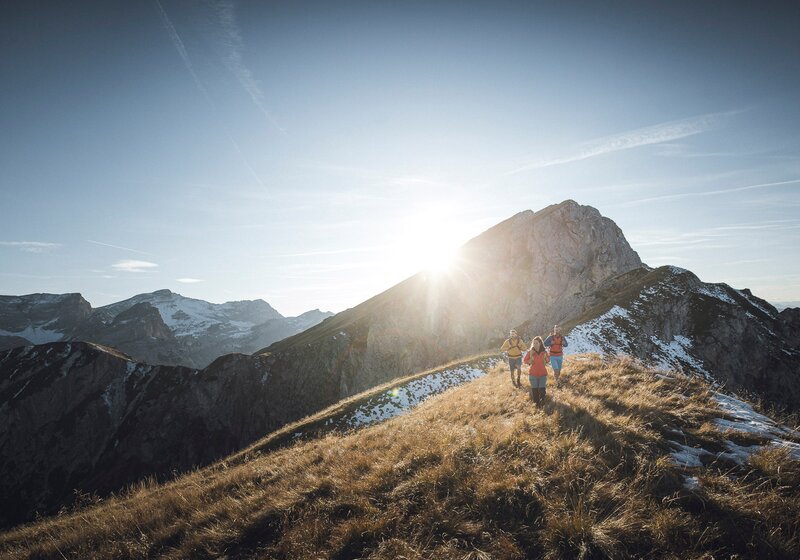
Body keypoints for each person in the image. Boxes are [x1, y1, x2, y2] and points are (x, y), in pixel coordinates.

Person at [523, 336, 549, 405]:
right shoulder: (530, 352)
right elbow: (525, 361)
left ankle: (543, 403)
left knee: (542, 390)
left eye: (536, 343)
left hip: (542, 374)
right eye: (534, 343)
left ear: (540, 343)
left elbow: (548, 360)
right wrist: (530, 361)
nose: (535, 344)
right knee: (535, 392)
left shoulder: (544, 352)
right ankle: (537, 406)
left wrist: (546, 359)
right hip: (533, 374)